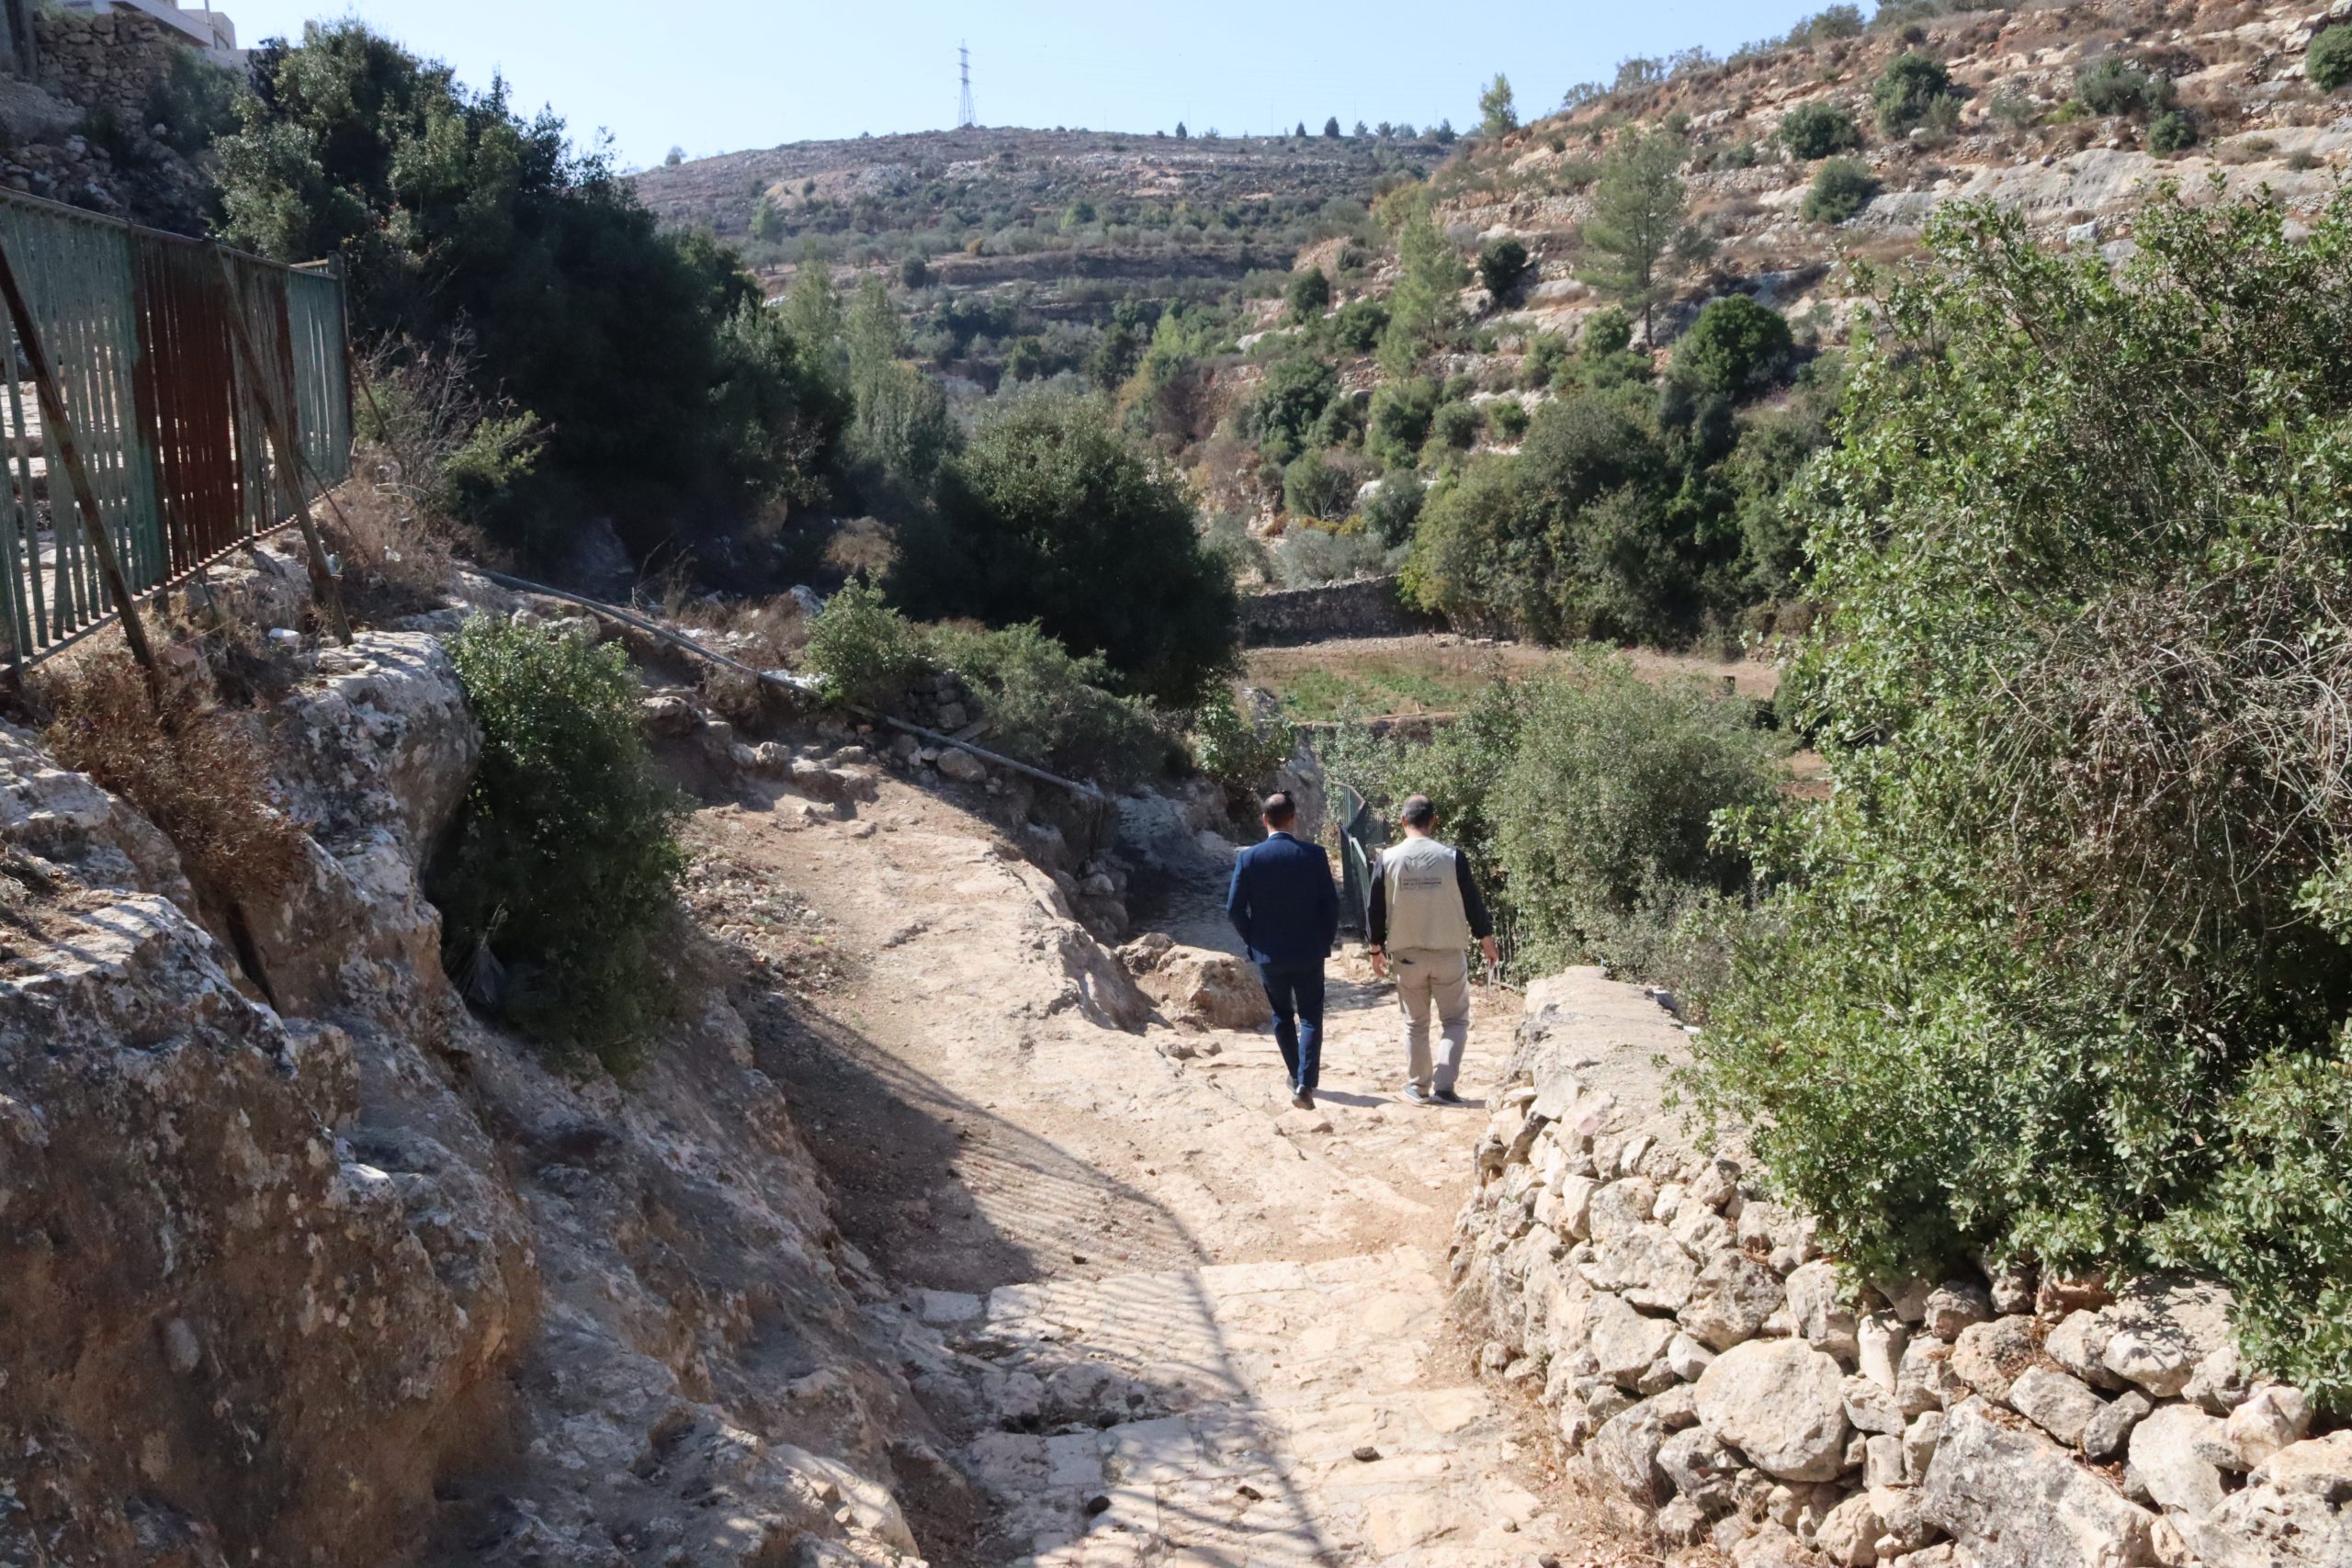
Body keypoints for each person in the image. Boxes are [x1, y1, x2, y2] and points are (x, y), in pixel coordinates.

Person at [1367, 795, 1498, 1106]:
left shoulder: (1387, 859)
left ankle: (1419, 1087)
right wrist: (1486, 940)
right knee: (1455, 1021)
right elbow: (1473, 904)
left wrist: (1375, 949)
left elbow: (1374, 908)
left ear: (1402, 821)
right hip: (1449, 952)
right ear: (1433, 821)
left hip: (1407, 954)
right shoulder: (1453, 857)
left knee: (1415, 1023)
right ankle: (1445, 1087)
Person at [1225, 790, 1340, 1110]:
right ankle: (1305, 1081)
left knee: (1281, 1015)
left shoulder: (1249, 858)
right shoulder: (1314, 855)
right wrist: (1325, 939)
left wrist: (1253, 939)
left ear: (1264, 820)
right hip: (1309, 951)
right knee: (1311, 1016)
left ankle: (1296, 1076)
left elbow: (1234, 909)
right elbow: (1331, 905)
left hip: (1270, 953)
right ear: (1294, 818)